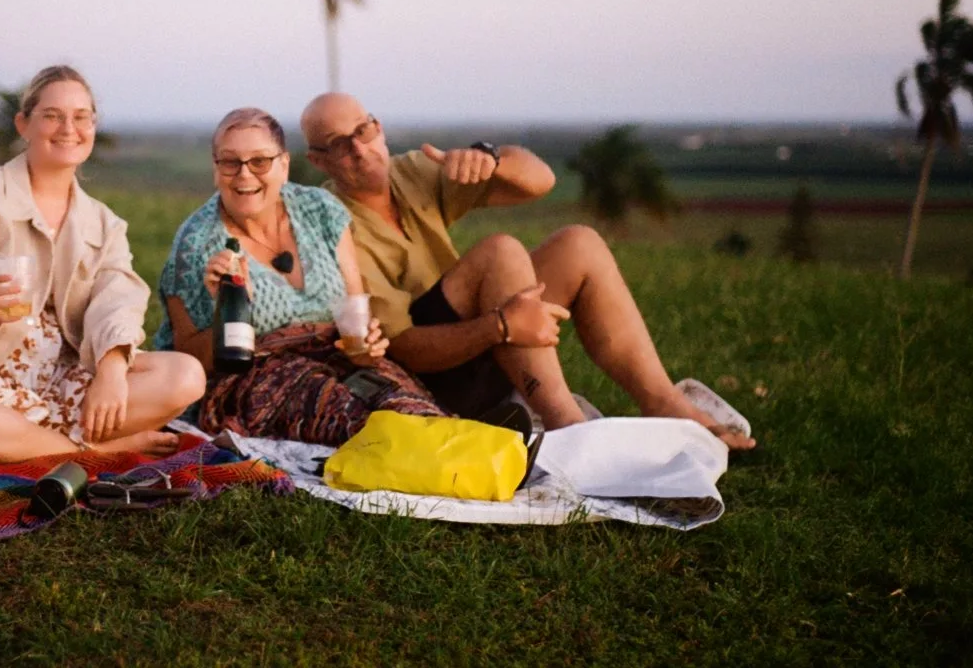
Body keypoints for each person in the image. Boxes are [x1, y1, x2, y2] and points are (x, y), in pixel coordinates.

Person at [300, 92, 756, 451]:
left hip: (484, 351)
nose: (360, 149)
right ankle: (568, 429)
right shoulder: (331, 220)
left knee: (580, 243)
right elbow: (404, 350)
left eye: (363, 129)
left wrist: (489, 159)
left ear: (378, 126)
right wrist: (498, 326)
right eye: (340, 145)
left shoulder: (412, 170)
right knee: (500, 252)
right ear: (318, 160)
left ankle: (664, 403)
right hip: (431, 385)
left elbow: (541, 181)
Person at [0, 65, 205, 463]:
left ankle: (15, 444)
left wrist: (112, 370)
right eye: (52, 115)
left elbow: (118, 297)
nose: (69, 128)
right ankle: (91, 453)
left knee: (186, 376)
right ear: (24, 124)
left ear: (93, 126)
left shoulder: (103, 222)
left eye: (81, 117)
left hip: (60, 376)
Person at [156, 108, 445, 445]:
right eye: (230, 162)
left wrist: (365, 347)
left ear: (284, 164)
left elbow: (353, 312)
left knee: (406, 403)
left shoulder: (321, 210)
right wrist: (231, 309)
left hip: (338, 360)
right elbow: (188, 362)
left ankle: (469, 452)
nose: (244, 175)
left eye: (260, 162)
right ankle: (422, 456)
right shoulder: (196, 244)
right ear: (216, 168)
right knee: (354, 418)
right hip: (256, 376)